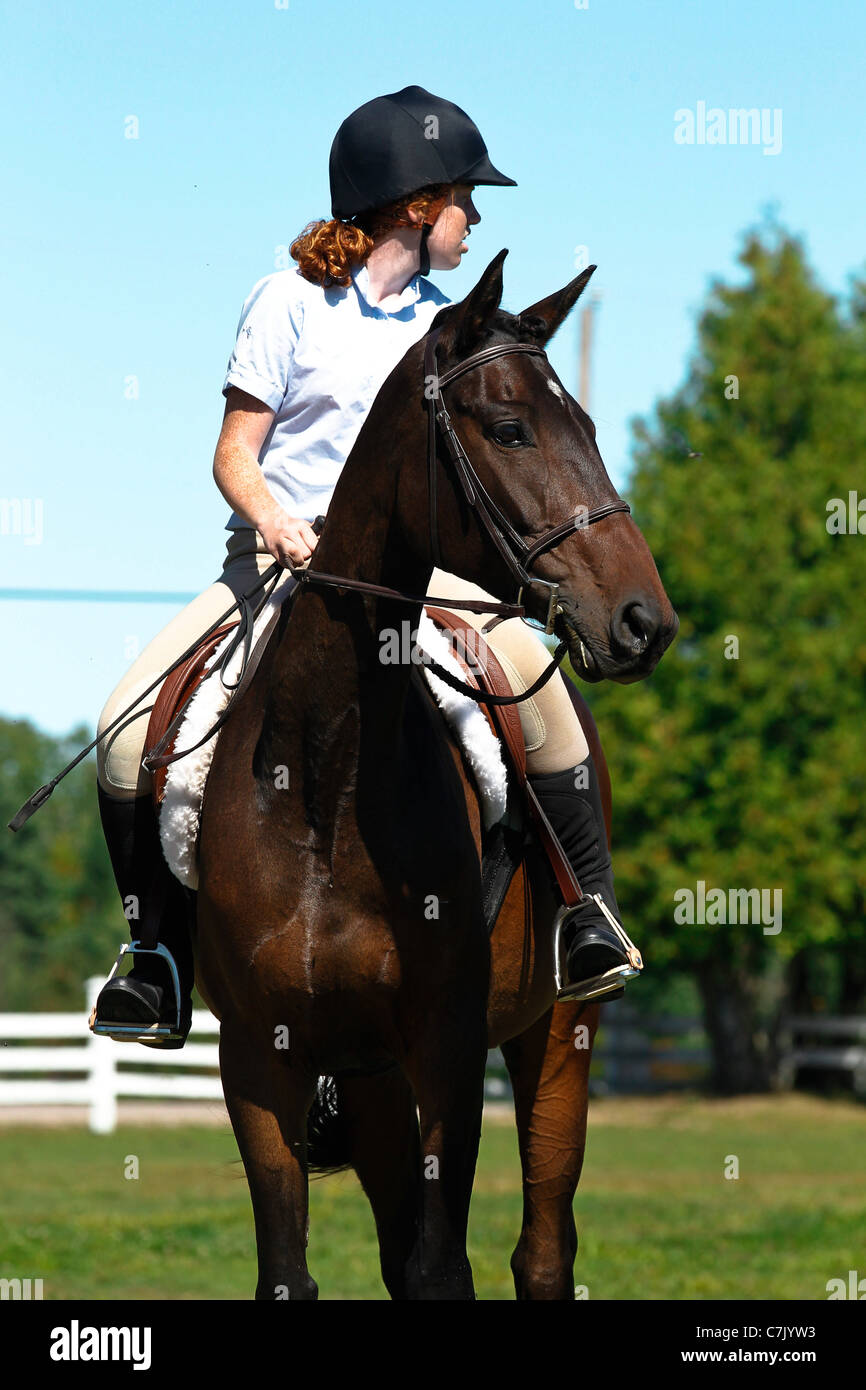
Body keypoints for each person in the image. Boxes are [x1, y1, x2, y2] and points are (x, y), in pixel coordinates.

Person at [91, 85, 639, 1048]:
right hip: (275, 567)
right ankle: (157, 958)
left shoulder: (447, 331)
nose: (477, 220)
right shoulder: (287, 303)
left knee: (544, 710)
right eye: (470, 199)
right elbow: (232, 453)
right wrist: (275, 522)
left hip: (425, 578)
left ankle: (584, 918)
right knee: (123, 737)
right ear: (419, 204)